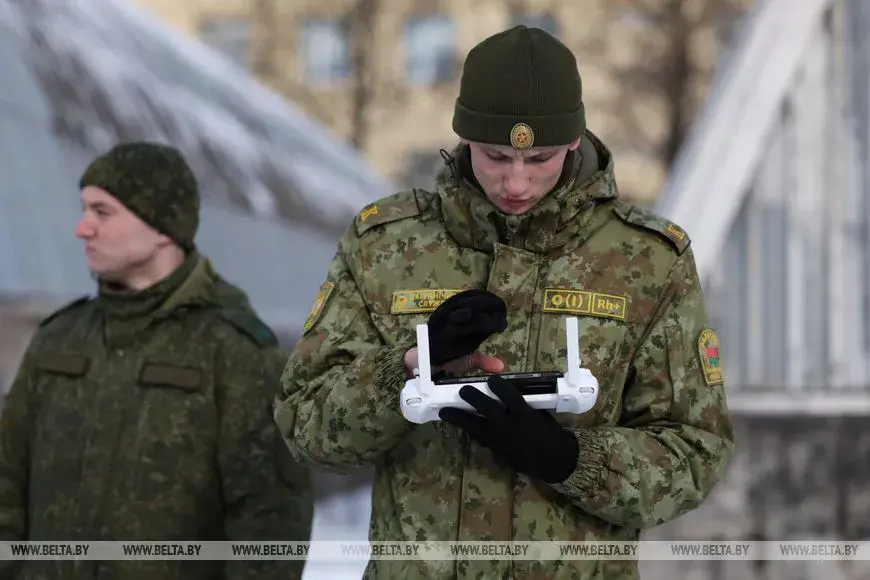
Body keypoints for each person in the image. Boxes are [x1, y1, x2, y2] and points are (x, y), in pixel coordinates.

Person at [275, 25, 734, 580]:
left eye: (539, 158)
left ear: (573, 141)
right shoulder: (387, 246)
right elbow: (305, 427)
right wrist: (402, 370)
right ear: (464, 137)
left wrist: (569, 460)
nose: (515, 181)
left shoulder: (648, 259)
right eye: (495, 156)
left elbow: (695, 451)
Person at [0, 142, 314, 580]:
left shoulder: (234, 350)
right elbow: (7, 479)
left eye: (102, 212)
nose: (81, 228)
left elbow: (270, 525)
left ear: (163, 226)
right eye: (83, 209)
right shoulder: (59, 338)